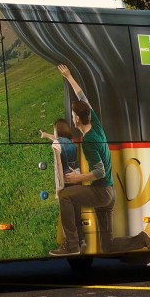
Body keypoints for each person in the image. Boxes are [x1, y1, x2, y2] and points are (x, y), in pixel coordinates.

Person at [49, 64, 116, 257]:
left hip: (102, 191)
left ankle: (73, 245)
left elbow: (99, 171)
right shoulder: (95, 124)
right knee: (108, 246)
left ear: (77, 119)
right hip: (109, 191)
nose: (71, 118)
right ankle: (82, 240)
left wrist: (77, 179)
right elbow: (83, 98)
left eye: (72, 116)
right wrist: (69, 76)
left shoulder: (88, 141)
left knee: (65, 195)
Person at [39, 119, 79, 191]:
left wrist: (61, 185)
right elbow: (58, 139)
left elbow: (59, 164)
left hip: (66, 177)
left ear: (58, 131)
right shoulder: (71, 141)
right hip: (77, 174)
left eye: (54, 130)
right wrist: (46, 135)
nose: (54, 132)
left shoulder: (56, 144)